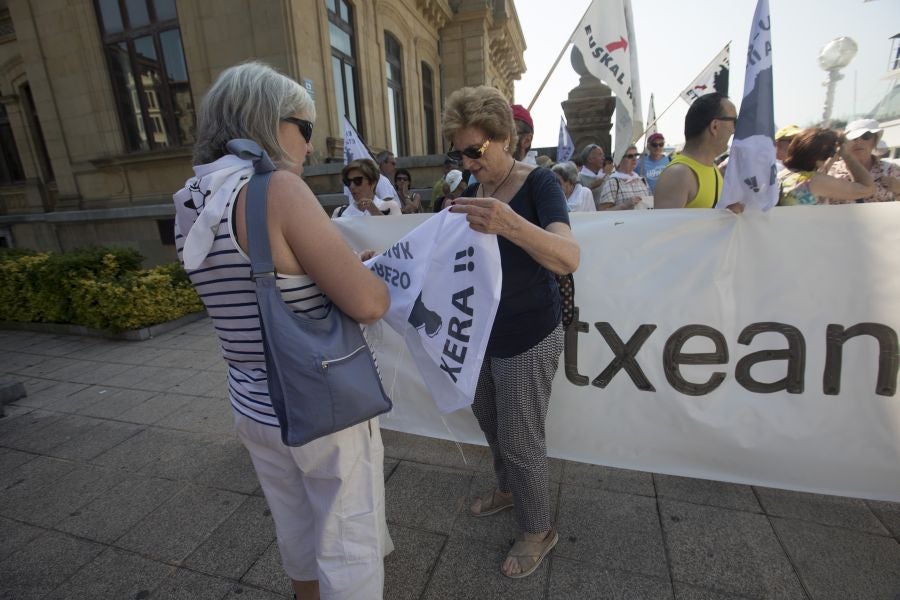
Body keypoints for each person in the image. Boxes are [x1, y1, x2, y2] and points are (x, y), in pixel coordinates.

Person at [173, 61, 392, 599]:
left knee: (295, 526)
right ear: (268, 122)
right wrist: (366, 275)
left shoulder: (191, 201)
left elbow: (252, 281)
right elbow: (368, 304)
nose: (313, 147)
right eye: (306, 128)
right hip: (318, 401)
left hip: (251, 400)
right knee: (348, 537)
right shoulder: (278, 191)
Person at [441, 85, 580, 579]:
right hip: (481, 333)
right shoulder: (472, 189)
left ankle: (538, 529)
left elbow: (568, 257)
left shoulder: (538, 183)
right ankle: (508, 490)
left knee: (522, 438)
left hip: (529, 332)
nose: (467, 161)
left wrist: (510, 224)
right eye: (460, 151)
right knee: (492, 423)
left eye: (475, 150)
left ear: (505, 139)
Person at [654, 92, 736, 209]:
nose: (734, 130)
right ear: (715, 126)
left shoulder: (713, 170)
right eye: (734, 122)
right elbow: (663, 227)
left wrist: (728, 212)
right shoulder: (678, 175)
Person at [777, 127, 875, 206]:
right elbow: (868, 188)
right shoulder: (814, 181)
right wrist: (846, 154)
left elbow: (821, 172)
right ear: (824, 155)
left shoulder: (784, 176)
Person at [826, 119, 899, 203]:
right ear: (845, 142)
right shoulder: (831, 170)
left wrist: (898, 189)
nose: (859, 142)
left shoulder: (891, 169)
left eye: (866, 136)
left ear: (875, 142)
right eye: (853, 138)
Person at [333, 159, 402, 217]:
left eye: (357, 181)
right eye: (347, 182)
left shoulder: (390, 207)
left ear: (372, 183)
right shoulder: (339, 213)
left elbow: (397, 231)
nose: (351, 186)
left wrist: (374, 211)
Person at [598, 145, 651, 210]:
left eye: (636, 155)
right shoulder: (612, 183)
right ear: (619, 160)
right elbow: (603, 212)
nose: (634, 159)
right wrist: (625, 205)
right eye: (630, 156)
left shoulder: (642, 180)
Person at [577, 143, 612, 209]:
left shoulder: (607, 176)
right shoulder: (578, 178)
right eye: (600, 155)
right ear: (590, 159)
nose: (603, 158)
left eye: (603, 155)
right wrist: (591, 186)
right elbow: (576, 199)